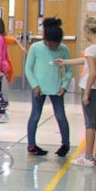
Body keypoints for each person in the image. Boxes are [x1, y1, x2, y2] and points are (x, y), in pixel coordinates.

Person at [57, 18, 96, 166]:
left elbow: (92, 72)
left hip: (91, 88)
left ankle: (88, 157)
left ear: (89, 32)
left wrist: (87, 92)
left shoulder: (91, 49)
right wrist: (66, 62)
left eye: (84, 32)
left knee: (89, 124)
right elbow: (88, 62)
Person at [24, 18, 71, 157]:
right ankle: (31, 145)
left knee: (61, 116)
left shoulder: (64, 49)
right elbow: (28, 68)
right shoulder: (36, 48)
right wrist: (34, 85)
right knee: (35, 116)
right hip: (39, 89)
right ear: (46, 39)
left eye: (56, 45)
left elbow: (68, 69)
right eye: (51, 44)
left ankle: (66, 144)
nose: (54, 47)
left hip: (57, 89)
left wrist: (65, 85)